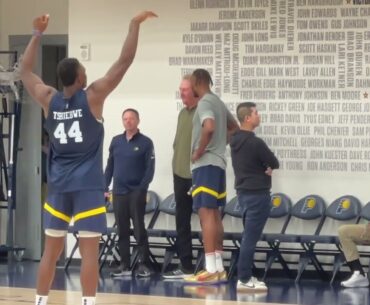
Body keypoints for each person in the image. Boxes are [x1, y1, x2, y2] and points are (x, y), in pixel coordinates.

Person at [20, 12, 157, 305]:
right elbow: (124, 62)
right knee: (89, 252)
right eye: (84, 70)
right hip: (87, 187)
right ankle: (87, 303)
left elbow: (25, 72)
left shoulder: (48, 98)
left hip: (58, 186)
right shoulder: (93, 96)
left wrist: (36, 34)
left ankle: (40, 301)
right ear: (81, 78)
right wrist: (133, 25)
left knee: (51, 251)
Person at [185, 69, 239, 284]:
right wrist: (220, 144)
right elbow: (234, 128)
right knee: (215, 215)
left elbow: (209, 127)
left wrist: (199, 151)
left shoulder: (205, 102)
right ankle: (218, 267)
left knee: (205, 214)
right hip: (219, 165)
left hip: (205, 164)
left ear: (198, 81)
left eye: (190, 84)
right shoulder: (218, 101)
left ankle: (209, 268)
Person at [230, 102, 279, 292]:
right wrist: (267, 167)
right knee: (250, 238)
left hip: (243, 194)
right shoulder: (255, 142)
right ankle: (243, 278)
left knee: (248, 237)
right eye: (256, 113)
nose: (259, 115)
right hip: (258, 194)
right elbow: (274, 162)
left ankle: (245, 275)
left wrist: (265, 166)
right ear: (248, 118)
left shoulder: (235, 141)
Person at [105, 108, 155, 278]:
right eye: (125, 119)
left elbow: (150, 169)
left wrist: (142, 188)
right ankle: (124, 265)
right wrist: (105, 187)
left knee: (139, 229)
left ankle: (143, 264)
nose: (128, 121)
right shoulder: (116, 142)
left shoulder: (146, 142)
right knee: (122, 229)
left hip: (136, 192)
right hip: (118, 192)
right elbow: (110, 166)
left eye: (131, 118)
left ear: (137, 121)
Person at [162, 75, 199, 279]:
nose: (181, 93)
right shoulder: (182, 114)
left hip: (198, 175)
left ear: (194, 90)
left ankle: (212, 267)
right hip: (180, 174)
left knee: (207, 218)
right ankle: (186, 266)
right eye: (180, 89)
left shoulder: (203, 112)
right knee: (182, 221)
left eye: (184, 90)